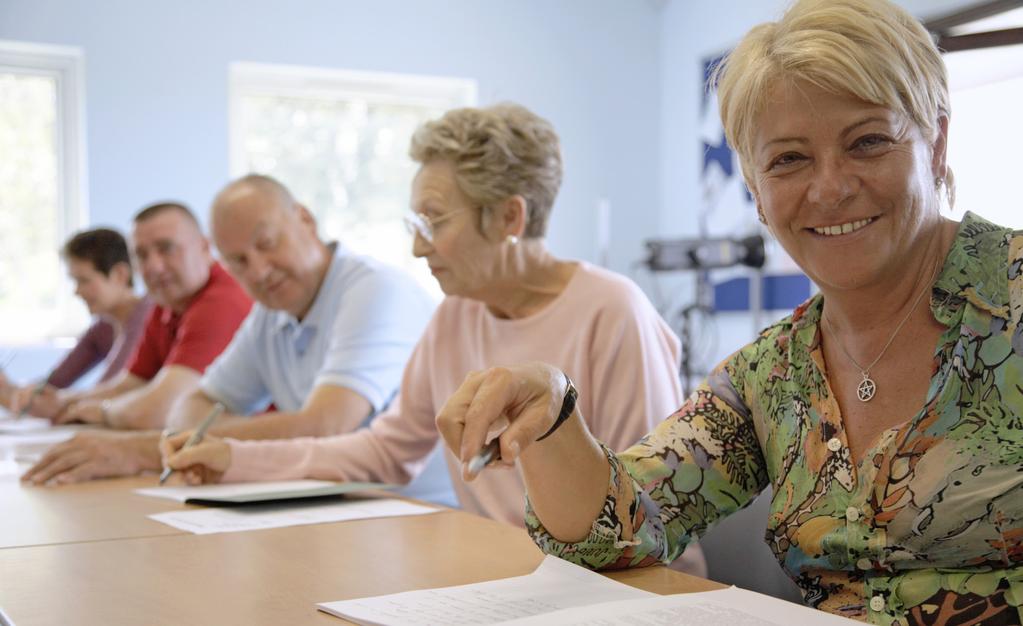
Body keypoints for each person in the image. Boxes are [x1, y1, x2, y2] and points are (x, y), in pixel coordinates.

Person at [433, 2, 1023, 624]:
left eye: (868, 142)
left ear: (936, 141)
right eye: (789, 159)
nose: (829, 187)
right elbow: (620, 528)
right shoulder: (770, 374)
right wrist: (554, 413)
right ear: (755, 189)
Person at [161, 104, 707, 577]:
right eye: (414, 223)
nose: (420, 249)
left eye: (434, 222)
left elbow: (651, 509)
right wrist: (233, 458)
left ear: (510, 217)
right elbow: (385, 450)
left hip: (618, 587)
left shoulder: (614, 312)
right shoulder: (455, 315)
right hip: (504, 572)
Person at [22, 176, 433, 484]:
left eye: (267, 243)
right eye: (237, 261)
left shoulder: (375, 289)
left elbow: (326, 424)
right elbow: (194, 405)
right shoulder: (270, 313)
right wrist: (192, 442)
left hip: (415, 513)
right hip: (334, 504)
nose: (257, 270)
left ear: (305, 219)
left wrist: (159, 449)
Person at [0, 228, 152, 414]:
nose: (76, 291)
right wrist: (9, 389)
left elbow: (110, 391)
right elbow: (52, 386)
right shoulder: (103, 328)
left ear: (120, 274)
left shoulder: (149, 318)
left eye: (84, 280)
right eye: (74, 281)